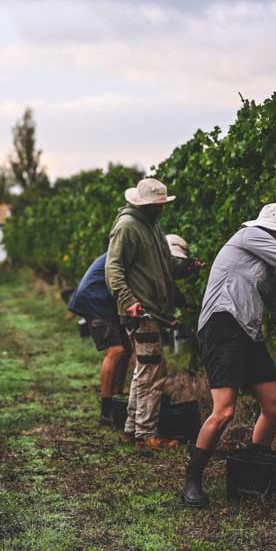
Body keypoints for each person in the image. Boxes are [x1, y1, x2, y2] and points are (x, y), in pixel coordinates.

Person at [182, 203, 276, 508]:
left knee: (274, 405)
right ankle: (192, 479)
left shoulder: (264, 266)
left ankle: (252, 473)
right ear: (275, 231)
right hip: (222, 325)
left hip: (248, 332)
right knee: (224, 410)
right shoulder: (250, 235)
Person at [105, 178, 180, 449]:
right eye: (158, 204)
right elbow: (113, 268)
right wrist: (128, 301)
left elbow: (163, 263)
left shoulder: (152, 224)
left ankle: (131, 428)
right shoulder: (127, 227)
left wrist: (184, 267)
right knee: (152, 372)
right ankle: (147, 435)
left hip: (152, 310)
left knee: (145, 369)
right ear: (144, 204)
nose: (162, 208)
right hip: (140, 311)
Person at [67, 253, 132, 426]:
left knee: (127, 347)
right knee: (116, 350)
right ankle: (106, 409)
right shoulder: (129, 250)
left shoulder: (131, 249)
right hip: (94, 300)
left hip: (103, 299)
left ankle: (117, 396)